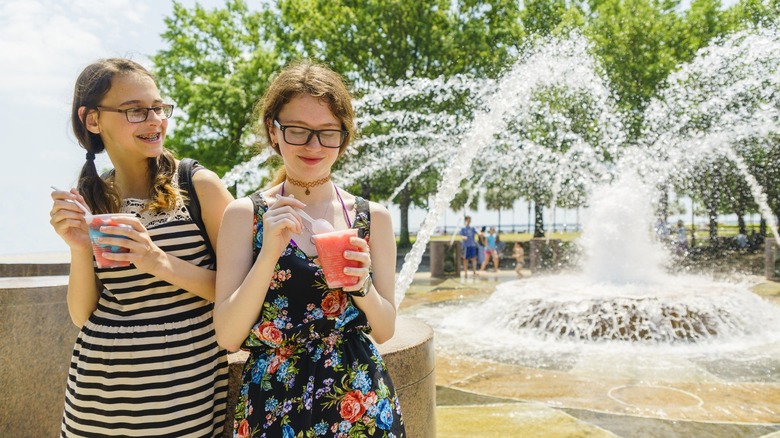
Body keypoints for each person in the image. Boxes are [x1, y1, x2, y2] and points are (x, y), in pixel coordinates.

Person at [214, 60, 405, 437]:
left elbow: (384, 331)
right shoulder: (244, 215)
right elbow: (228, 335)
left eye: (327, 132)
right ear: (274, 132)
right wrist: (268, 253)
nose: (313, 145)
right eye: (298, 131)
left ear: (343, 137)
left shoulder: (372, 218)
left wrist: (361, 286)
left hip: (359, 400)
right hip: (273, 400)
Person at [48, 58, 234, 436]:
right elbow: (84, 315)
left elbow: (243, 290)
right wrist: (78, 247)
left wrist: (157, 261)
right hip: (93, 403)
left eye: (159, 108)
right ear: (93, 120)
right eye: (136, 110)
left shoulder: (199, 186)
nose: (155, 120)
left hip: (181, 405)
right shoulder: (90, 195)